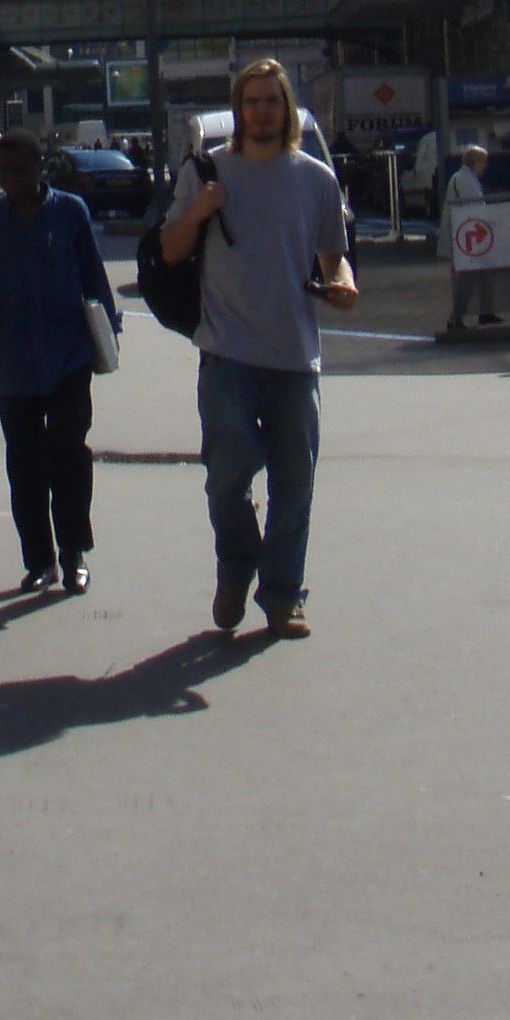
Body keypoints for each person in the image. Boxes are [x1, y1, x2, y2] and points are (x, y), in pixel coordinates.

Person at [160, 56, 357, 638]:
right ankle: (236, 564)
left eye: (273, 101)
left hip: (295, 356)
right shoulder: (206, 172)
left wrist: (343, 283)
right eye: (253, 102)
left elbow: (333, 255)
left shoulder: (316, 179)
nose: (263, 111)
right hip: (227, 354)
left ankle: (283, 594)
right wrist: (199, 211)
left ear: (287, 108)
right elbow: (170, 251)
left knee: (295, 483)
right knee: (227, 474)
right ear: (239, 110)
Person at [0, 126, 121, 593]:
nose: (11, 179)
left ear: (40, 168)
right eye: (4, 171)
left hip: (69, 357)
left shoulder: (70, 212)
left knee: (70, 456)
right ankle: (40, 560)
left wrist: (110, 334)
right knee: (25, 464)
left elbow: (94, 278)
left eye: (21, 170)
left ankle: (74, 553)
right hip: (12, 362)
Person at [439, 143, 510, 337]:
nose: (485, 166)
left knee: (480, 274)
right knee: (468, 279)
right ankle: (457, 318)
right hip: (468, 240)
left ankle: (484, 311)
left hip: (467, 237)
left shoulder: (461, 178)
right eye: (483, 162)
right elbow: (476, 207)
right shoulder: (466, 181)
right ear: (475, 162)